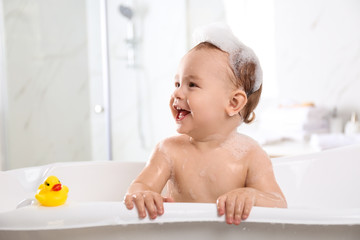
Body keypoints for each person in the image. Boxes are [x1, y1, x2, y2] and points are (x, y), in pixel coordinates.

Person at [124, 23, 287, 225]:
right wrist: (143, 195)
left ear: (233, 103)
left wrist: (252, 196)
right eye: (177, 84)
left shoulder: (250, 155)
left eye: (192, 84)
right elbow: (139, 186)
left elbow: (279, 204)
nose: (177, 93)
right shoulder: (168, 151)